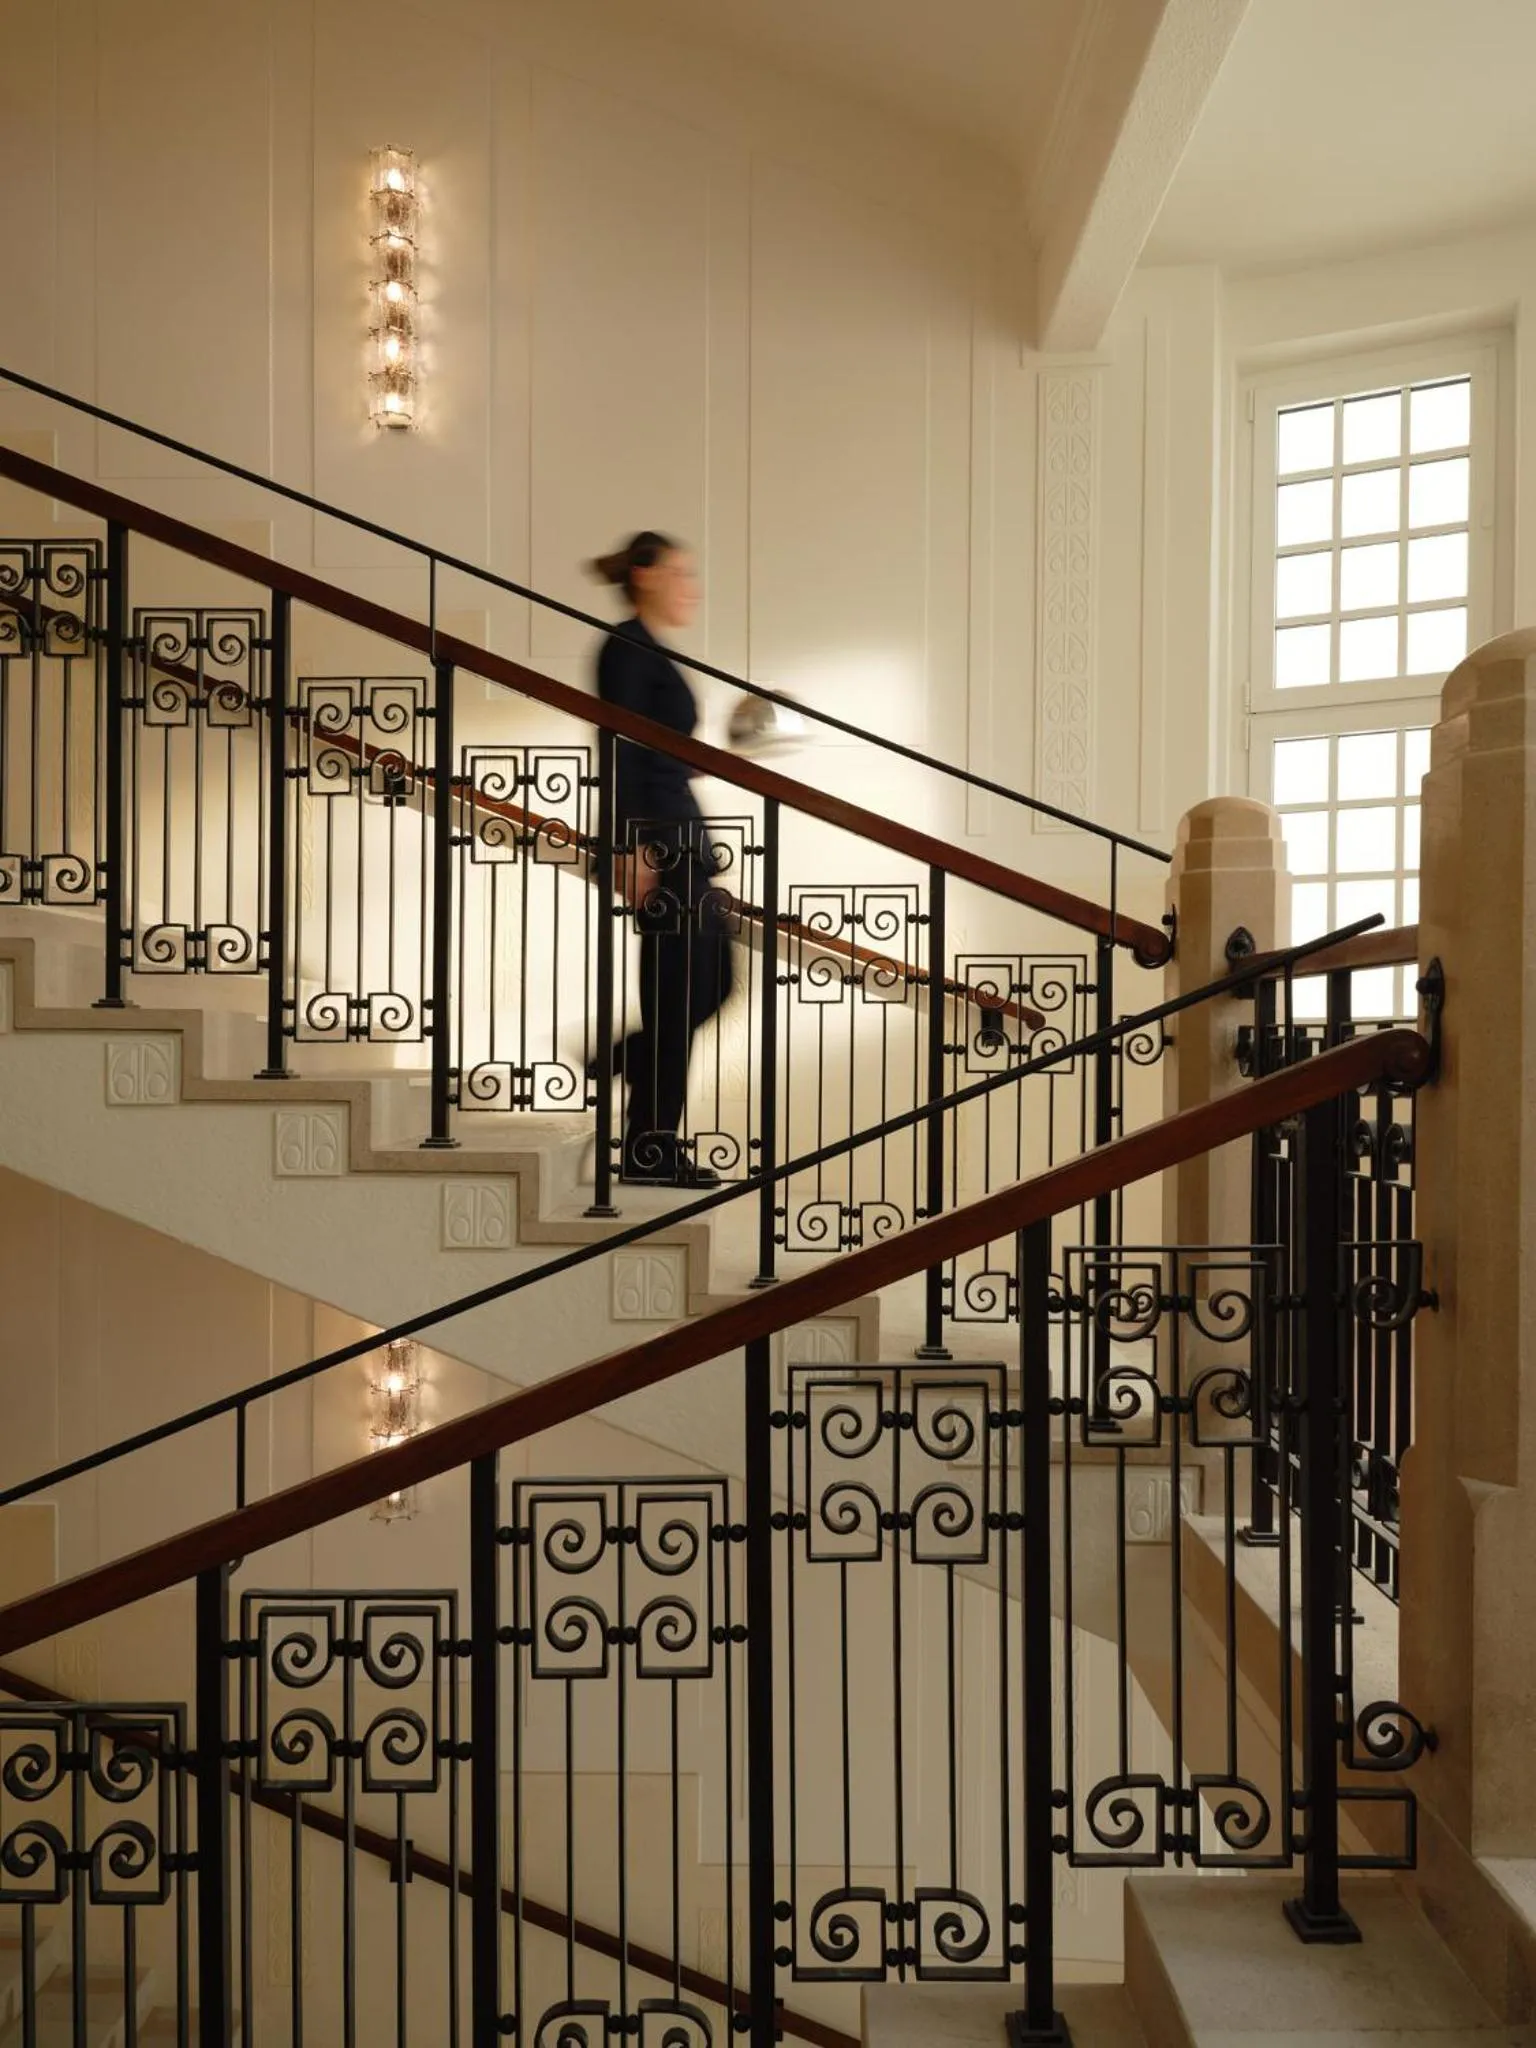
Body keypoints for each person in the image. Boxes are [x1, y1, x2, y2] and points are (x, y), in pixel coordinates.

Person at [589, 532, 734, 1187]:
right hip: (658, 841)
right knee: (680, 997)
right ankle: (652, 1148)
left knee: (709, 989)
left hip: (681, 837)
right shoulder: (624, 646)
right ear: (644, 575)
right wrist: (627, 846)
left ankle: (624, 1066)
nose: (691, 585)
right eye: (679, 572)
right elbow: (614, 744)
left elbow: (658, 752)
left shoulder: (650, 651)